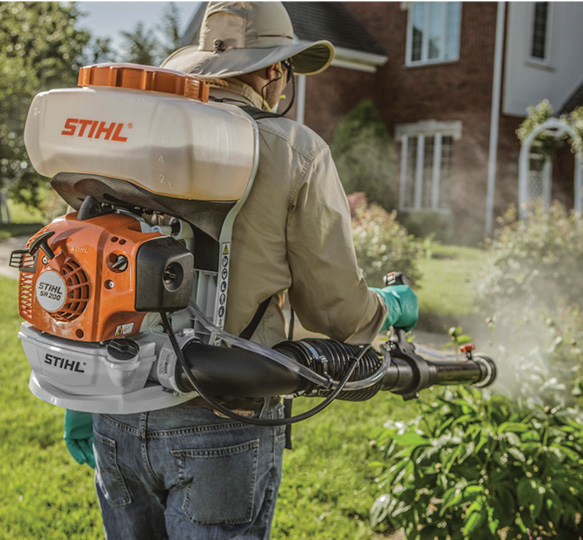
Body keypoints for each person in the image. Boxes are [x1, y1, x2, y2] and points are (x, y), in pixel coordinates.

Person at [64, 3, 418, 539]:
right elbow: (334, 307)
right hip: (222, 417)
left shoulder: (128, 135)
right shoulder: (292, 148)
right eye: (285, 70)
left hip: (116, 406)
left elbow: (82, 254)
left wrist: (79, 399)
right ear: (273, 70)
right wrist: (384, 310)